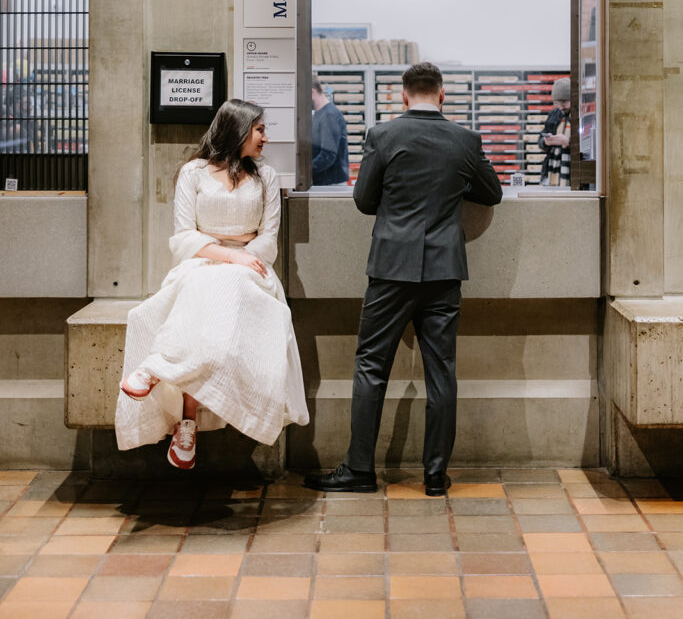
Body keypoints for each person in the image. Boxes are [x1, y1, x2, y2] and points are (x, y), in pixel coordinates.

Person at [304, 62, 502, 497]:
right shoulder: (465, 140)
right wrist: (453, 188)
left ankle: (359, 469)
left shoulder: (383, 135)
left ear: (403, 95)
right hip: (444, 270)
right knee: (442, 372)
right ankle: (434, 474)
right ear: (443, 95)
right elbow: (492, 193)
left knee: (371, 366)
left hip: (391, 268)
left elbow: (363, 199)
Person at [115, 99, 309, 469]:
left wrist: (241, 258)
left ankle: (159, 373)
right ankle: (182, 413)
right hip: (201, 262)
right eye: (260, 129)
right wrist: (227, 256)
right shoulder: (193, 173)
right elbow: (184, 236)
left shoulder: (266, 177)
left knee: (220, 313)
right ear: (238, 130)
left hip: (251, 265)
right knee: (197, 301)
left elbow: (269, 238)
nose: (265, 137)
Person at [311, 73, 349, 185]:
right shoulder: (319, 114)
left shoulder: (329, 115)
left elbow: (327, 155)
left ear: (312, 92)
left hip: (331, 184)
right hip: (324, 182)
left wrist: (303, 170)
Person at [539, 77, 571, 187]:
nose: (561, 106)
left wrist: (568, 142)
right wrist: (545, 141)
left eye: (564, 101)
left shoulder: (581, 116)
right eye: (557, 102)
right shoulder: (554, 114)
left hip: (573, 173)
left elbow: (591, 148)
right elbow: (540, 140)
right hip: (551, 170)